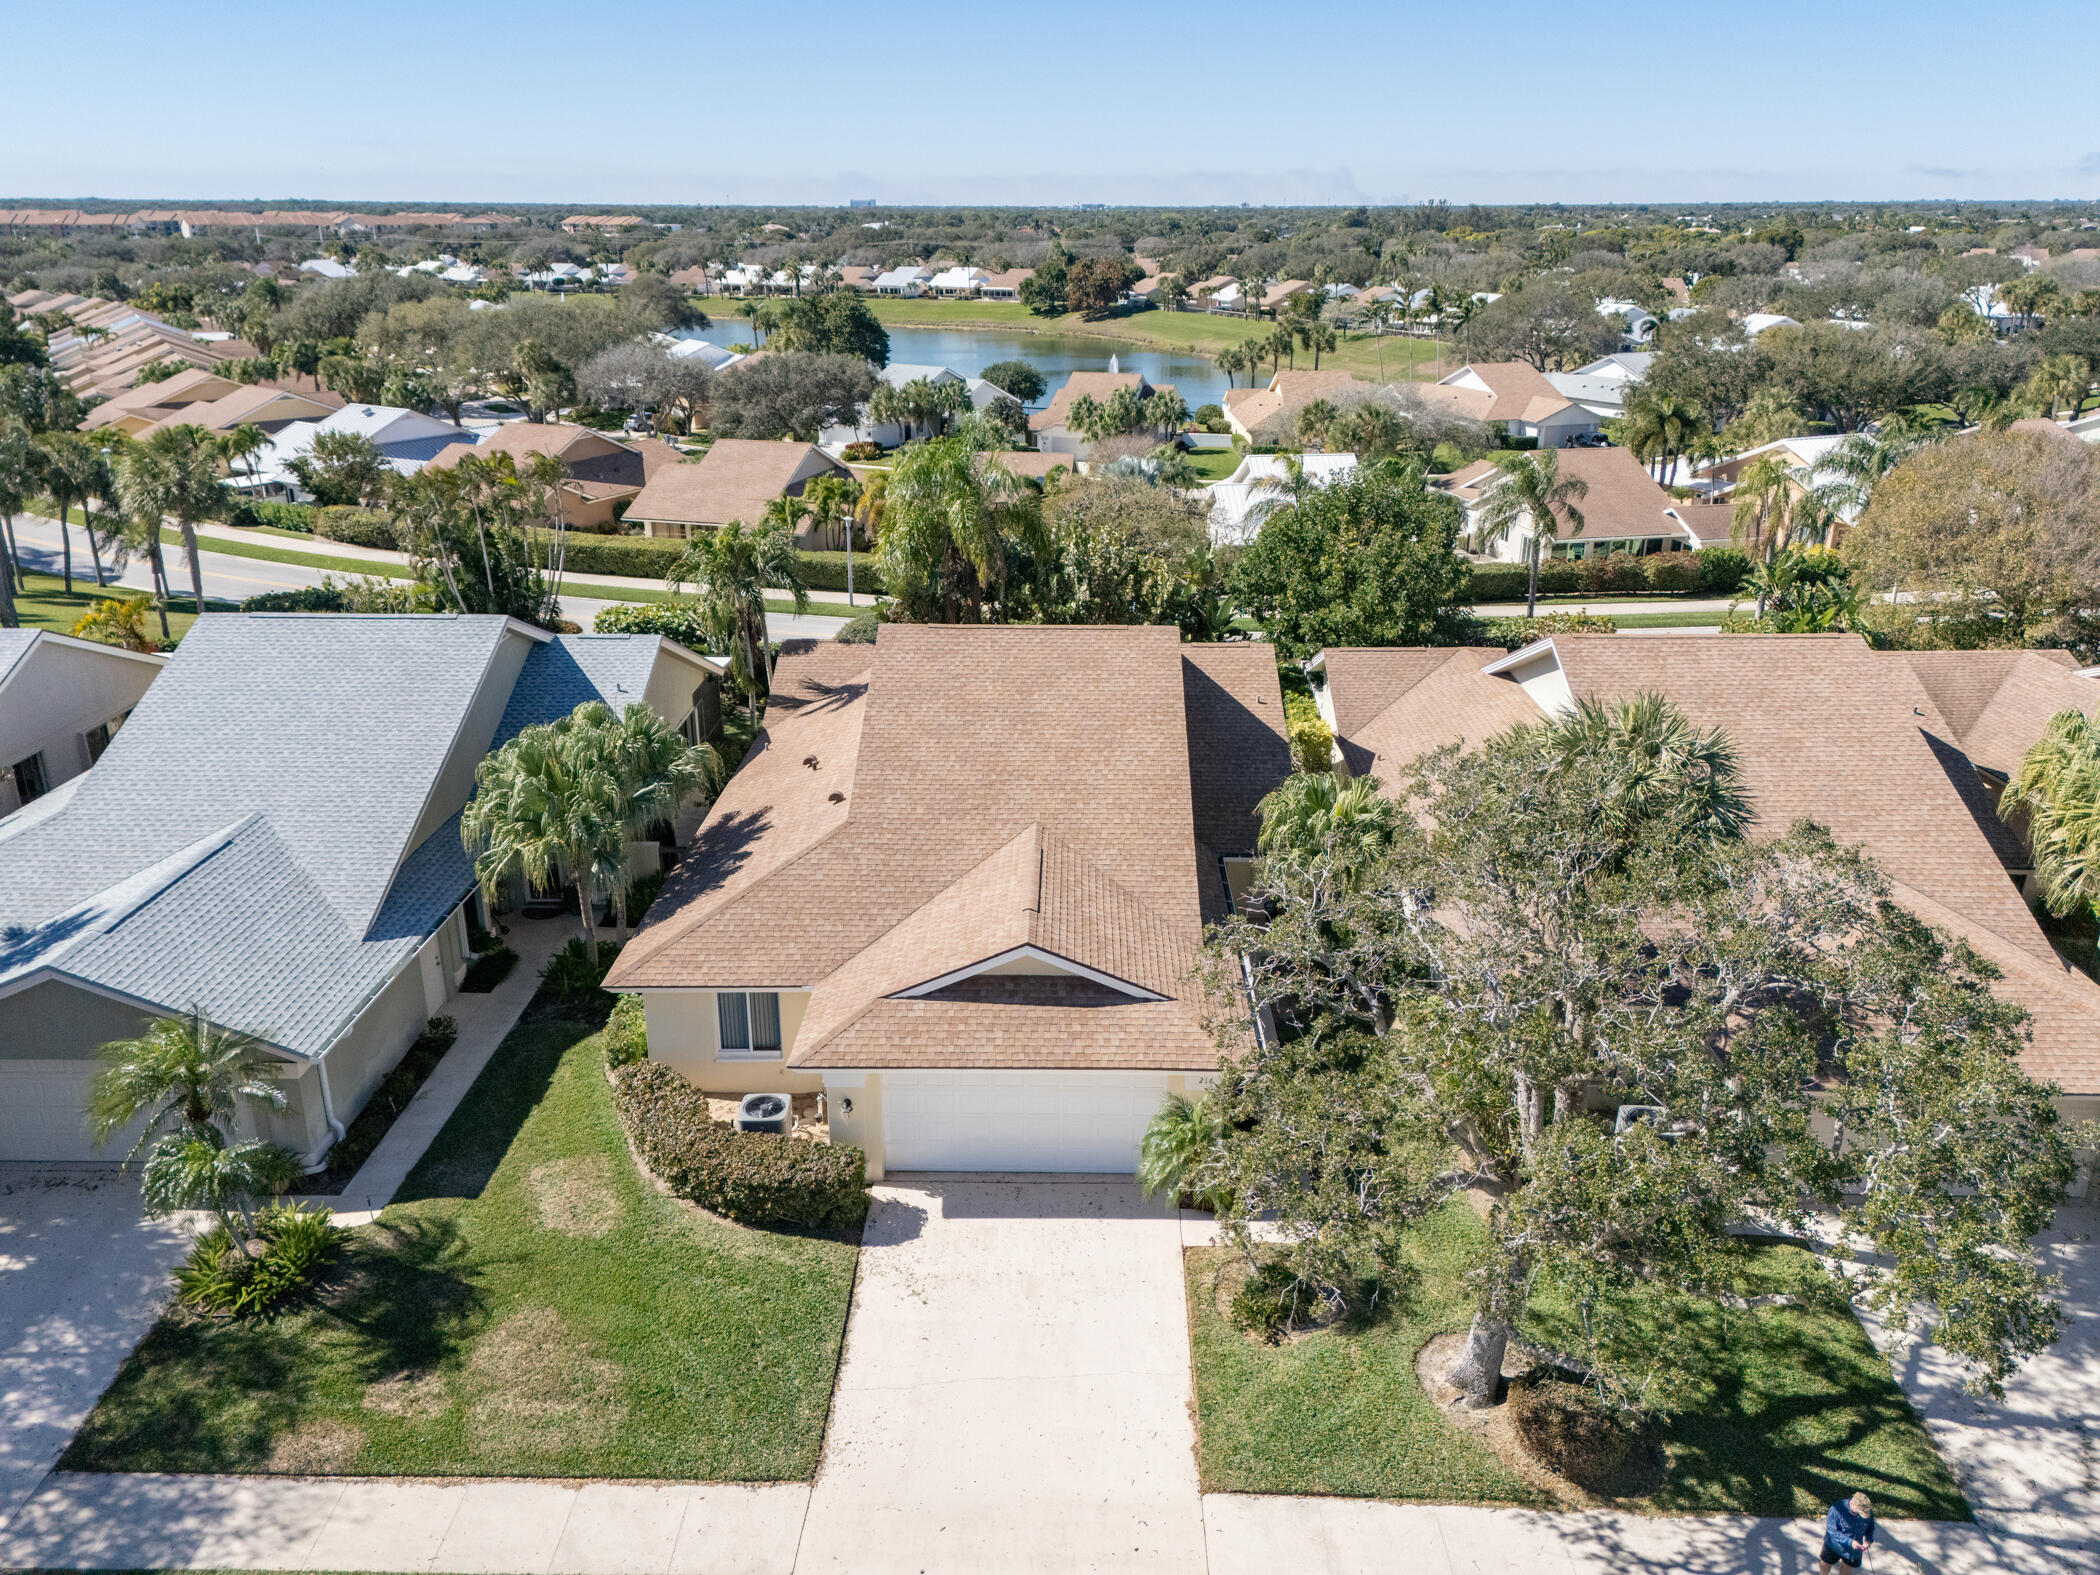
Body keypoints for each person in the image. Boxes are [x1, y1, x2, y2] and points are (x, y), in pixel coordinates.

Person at [1820, 1491, 1876, 1570]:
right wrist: (1850, 1542)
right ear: (1852, 1503)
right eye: (1860, 1512)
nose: (1862, 1514)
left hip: (1853, 1551)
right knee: (1826, 1564)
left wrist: (1868, 1540)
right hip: (1833, 1546)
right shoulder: (1836, 1509)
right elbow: (1832, 1530)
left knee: (1847, 1567)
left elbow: (1870, 1527)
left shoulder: (1866, 1511)